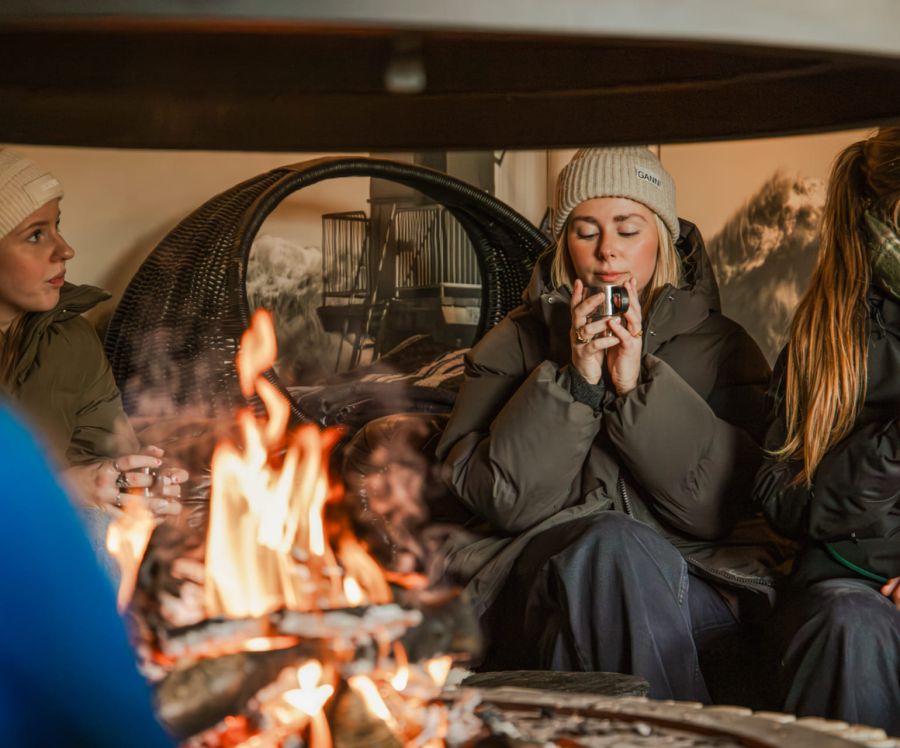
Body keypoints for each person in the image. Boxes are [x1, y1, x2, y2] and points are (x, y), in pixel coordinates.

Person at [435, 146, 783, 703]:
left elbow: (714, 506)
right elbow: (504, 500)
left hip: (693, 577)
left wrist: (635, 385)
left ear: (662, 238)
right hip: (542, 578)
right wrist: (576, 382)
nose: (607, 252)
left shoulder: (725, 347)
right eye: (585, 230)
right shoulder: (512, 342)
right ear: (564, 242)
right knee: (609, 545)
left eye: (628, 229)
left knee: (620, 548)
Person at [753, 127, 900, 733]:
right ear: (883, 216)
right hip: (855, 588)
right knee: (849, 628)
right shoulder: (829, 337)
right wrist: (890, 449)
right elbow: (778, 495)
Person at [0, 149, 185, 563]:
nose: (65, 250)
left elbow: (101, 457)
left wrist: (133, 483)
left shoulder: (71, 339)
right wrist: (66, 488)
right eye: (35, 235)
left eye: (56, 227)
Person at [0, 402, 174, 747]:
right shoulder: (11, 457)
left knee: (115, 525)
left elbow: (113, 438)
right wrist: (68, 486)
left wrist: (136, 481)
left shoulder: (67, 349)